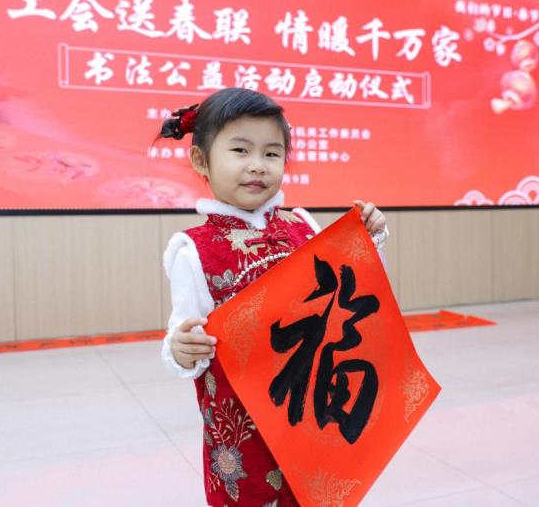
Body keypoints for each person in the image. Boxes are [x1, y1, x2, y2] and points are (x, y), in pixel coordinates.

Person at [159, 88, 388, 506]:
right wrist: (181, 347)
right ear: (201, 161)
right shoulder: (192, 250)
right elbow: (182, 334)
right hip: (245, 429)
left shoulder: (303, 225)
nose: (257, 165)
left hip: (311, 409)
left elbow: (351, 293)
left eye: (271, 153)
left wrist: (367, 241)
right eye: (240, 150)